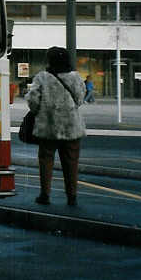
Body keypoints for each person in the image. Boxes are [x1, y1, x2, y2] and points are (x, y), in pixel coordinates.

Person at [25, 46, 87, 207]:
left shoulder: (42, 77)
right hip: (71, 126)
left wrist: (40, 111)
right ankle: (72, 196)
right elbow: (80, 98)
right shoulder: (75, 77)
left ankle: (45, 194)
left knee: (46, 160)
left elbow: (33, 100)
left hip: (48, 126)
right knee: (72, 162)